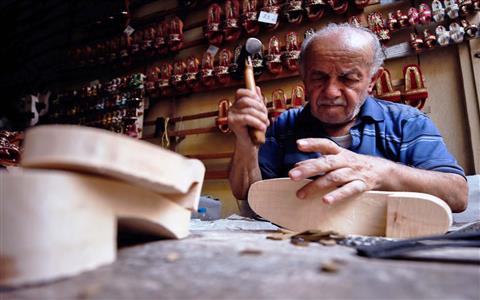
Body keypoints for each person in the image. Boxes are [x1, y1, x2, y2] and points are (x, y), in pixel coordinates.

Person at [227, 23, 468, 212]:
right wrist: (245, 144)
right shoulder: (285, 126)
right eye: (319, 78)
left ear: (372, 81)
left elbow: (457, 195)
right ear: (304, 80)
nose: (331, 91)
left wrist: (379, 172)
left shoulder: (407, 123)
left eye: (348, 79)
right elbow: (248, 193)